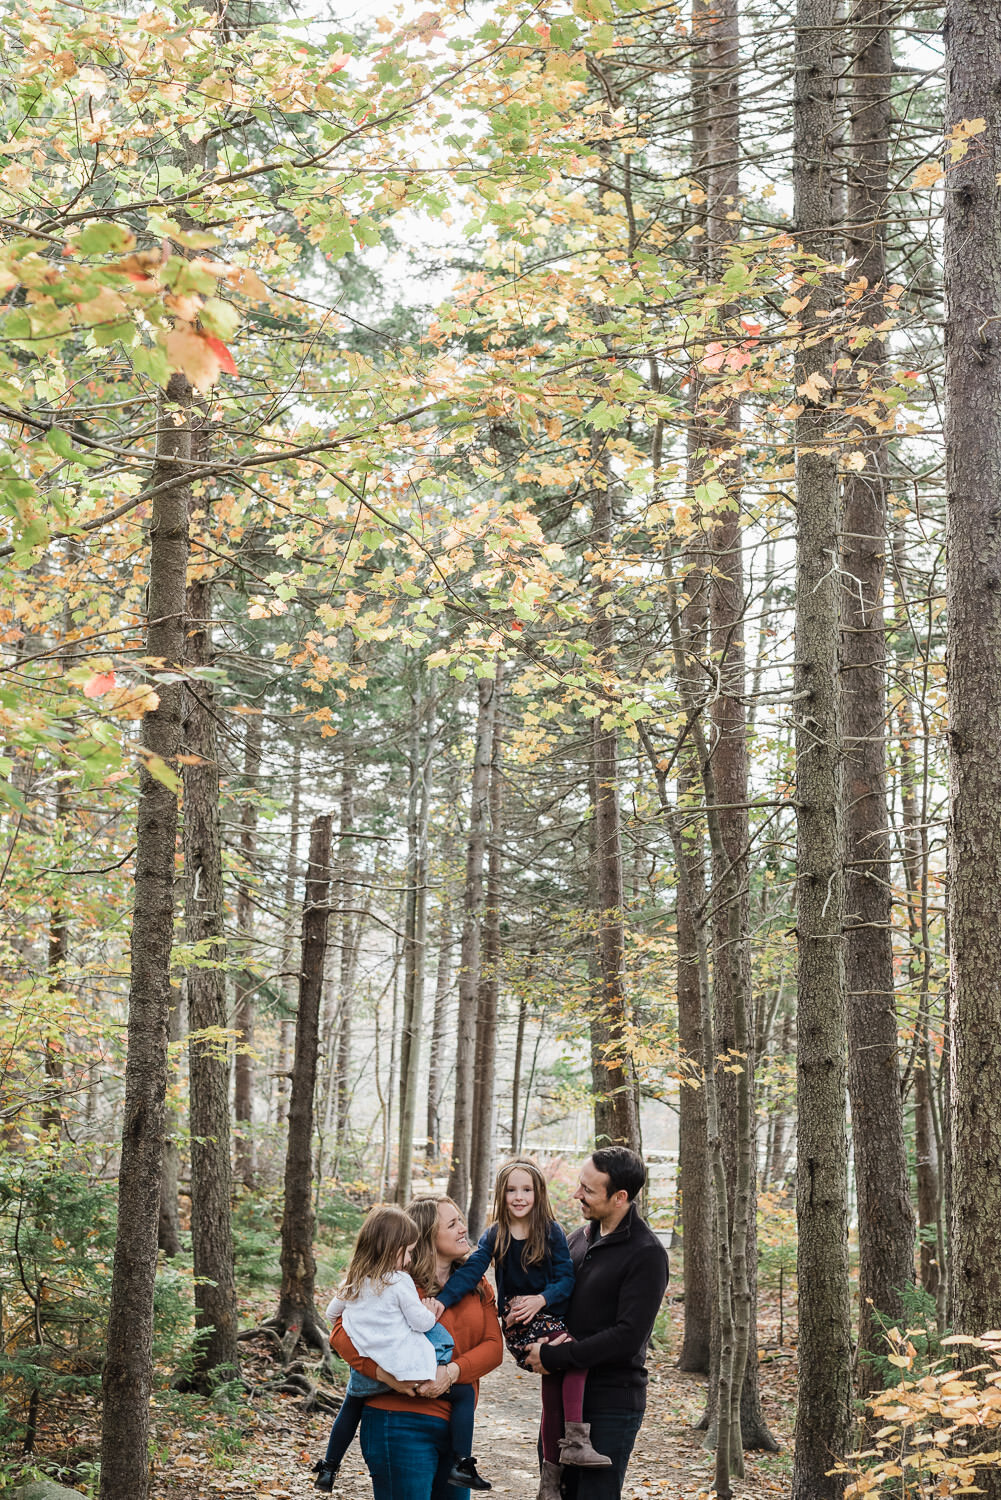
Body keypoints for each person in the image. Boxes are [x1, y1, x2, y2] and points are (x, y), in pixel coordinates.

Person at [432, 1158, 611, 1500]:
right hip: (517, 1324)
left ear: (538, 1193)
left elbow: (565, 1280)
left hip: (544, 1314)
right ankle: (575, 1441)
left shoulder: (551, 1232)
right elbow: (472, 1273)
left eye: (526, 1189)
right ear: (501, 1194)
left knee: (554, 1386)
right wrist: (442, 1300)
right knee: (576, 1356)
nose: (519, 1196)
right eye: (511, 1190)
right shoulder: (495, 1234)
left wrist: (541, 1300)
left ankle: (549, 1483)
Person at [330, 1196, 503, 1500]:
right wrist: (383, 1375)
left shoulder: (478, 1285)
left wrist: (450, 1373)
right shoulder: (392, 1280)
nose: (463, 1229)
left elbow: (493, 1348)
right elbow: (340, 1333)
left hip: (455, 1428)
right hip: (397, 1421)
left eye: (460, 1220)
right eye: (452, 1224)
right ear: (425, 1236)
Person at [525, 1147, 669, 1500]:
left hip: (611, 1402)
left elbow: (627, 1336)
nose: (577, 1195)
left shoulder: (646, 1253)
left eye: (588, 1190)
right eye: (579, 1185)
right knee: (554, 1492)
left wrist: (556, 1357)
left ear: (620, 1197)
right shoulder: (577, 1239)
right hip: (562, 1398)